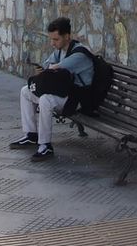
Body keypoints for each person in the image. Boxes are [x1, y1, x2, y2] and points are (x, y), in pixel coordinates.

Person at [9, 16, 93, 162]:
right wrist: (44, 70)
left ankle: (45, 145)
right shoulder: (61, 50)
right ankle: (31, 134)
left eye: (56, 39)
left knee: (45, 100)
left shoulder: (80, 54)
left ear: (67, 36)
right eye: (51, 39)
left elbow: (55, 67)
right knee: (25, 91)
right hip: (65, 92)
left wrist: (46, 70)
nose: (52, 43)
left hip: (79, 99)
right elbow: (47, 65)